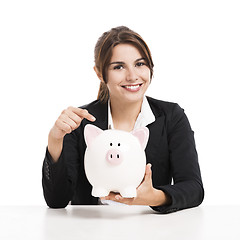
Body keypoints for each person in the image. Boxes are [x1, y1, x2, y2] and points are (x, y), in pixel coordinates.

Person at [42, 26, 204, 213]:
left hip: (151, 230)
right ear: (100, 74)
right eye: (118, 66)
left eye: (140, 64)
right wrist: (55, 140)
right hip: (89, 230)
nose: (132, 76)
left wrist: (155, 197)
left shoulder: (171, 117)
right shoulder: (80, 122)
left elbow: (194, 188)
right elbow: (56, 201)